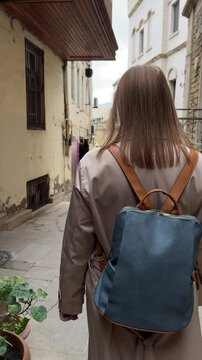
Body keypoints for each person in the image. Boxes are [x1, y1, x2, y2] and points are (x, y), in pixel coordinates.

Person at [58, 65, 202, 360]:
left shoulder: (93, 165)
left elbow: (76, 245)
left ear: (121, 105)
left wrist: (69, 302)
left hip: (111, 297)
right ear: (166, 103)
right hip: (173, 294)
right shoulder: (198, 167)